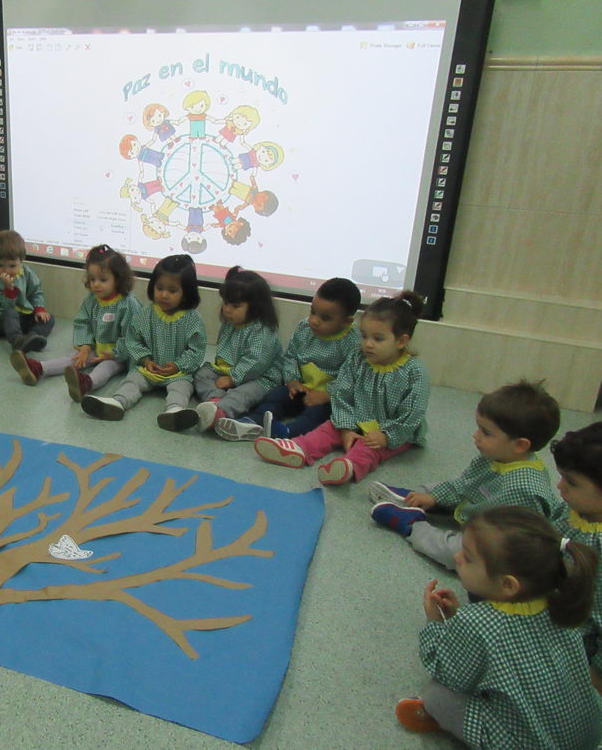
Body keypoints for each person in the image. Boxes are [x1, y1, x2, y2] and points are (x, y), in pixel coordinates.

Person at [396, 506, 601, 749]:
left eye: (468, 557)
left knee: (437, 694)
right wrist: (458, 621)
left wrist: (436, 624)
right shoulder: (557, 603)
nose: (457, 557)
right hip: (589, 734)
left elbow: (448, 673)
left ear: (508, 584)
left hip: (527, 744)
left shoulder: (476, 621)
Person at [369, 380, 562, 569]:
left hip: (501, 545)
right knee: (440, 488)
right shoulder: (501, 454)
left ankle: (411, 524)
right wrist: (434, 496)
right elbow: (466, 483)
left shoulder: (524, 490)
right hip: (483, 508)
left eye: (486, 432)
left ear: (520, 445)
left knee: (456, 552)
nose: (475, 436)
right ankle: (416, 500)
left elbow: (498, 546)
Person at [254, 291, 429, 485]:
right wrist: (345, 428)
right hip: (357, 418)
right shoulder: (357, 358)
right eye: (364, 336)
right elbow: (342, 394)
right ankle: (297, 448)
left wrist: (386, 436)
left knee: (368, 448)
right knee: (326, 430)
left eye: (378, 339)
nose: (367, 344)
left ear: (401, 341)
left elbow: (412, 414)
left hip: (390, 430)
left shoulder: (415, 372)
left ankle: (350, 467)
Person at [216, 277, 361, 442]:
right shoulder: (304, 327)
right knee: (275, 396)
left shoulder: (353, 342)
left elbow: (352, 378)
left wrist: (327, 395)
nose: (314, 320)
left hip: (329, 397)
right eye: (313, 311)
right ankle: (252, 422)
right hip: (301, 389)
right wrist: (292, 381)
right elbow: (291, 356)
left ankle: (286, 432)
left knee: (316, 414)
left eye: (325, 318)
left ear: (346, 321)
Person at [81, 253, 206, 430]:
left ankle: (175, 412)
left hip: (179, 373)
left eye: (172, 290)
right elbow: (133, 340)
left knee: (181, 389)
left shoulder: (193, 319)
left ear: (186, 293)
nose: (164, 294)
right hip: (147, 370)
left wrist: (178, 365)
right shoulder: (145, 314)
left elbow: (197, 350)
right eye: (159, 287)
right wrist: (146, 360)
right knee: (132, 381)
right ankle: (117, 403)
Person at [9, 244, 140, 401]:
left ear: (118, 279)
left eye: (103, 279)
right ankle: (39, 368)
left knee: (106, 368)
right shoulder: (92, 300)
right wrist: (85, 346)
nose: (96, 284)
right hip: (97, 347)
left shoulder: (128, 304)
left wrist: (113, 353)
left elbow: (133, 335)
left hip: (120, 355)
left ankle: (87, 383)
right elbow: (83, 322)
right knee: (75, 357)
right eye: (92, 279)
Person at [191, 267, 282, 433]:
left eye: (235, 306)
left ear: (256, 307)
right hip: (229, 371)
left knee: (243, 393)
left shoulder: (262, 331)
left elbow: (255, 362)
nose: (227, 309)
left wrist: (232, 379)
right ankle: (215, 399)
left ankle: (221, 412)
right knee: (201, 373)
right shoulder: (231, 323)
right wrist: (225, 375)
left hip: (260, 378)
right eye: (226, 303)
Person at [550, 422, 602, 694]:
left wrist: (595, 673)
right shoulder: (575, 508)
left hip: (577, 636)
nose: (560, 486)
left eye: (571, 482)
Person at [0, 230, 54, 352]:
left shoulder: (27, 273)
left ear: (22, 260)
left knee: (49, 318)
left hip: (21, 316)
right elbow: (3, 309)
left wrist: (39, 310)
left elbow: (36, 292)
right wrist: (9, 289)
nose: (6, 270)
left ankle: (33, 336)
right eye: (1, 265)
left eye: (12, 266)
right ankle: (17, 341)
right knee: (11, 313)